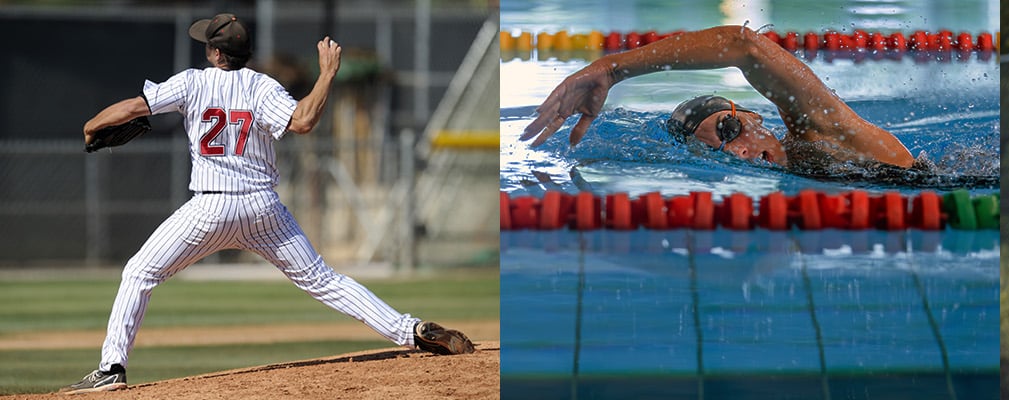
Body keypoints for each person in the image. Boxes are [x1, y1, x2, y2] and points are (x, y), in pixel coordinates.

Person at [63, 13, 474, 394]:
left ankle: (111, 369)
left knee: (139, 273)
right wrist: (327, 74)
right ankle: (411, 329)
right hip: (263, 210)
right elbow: (304, 121)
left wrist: (91, 125)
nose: (206, 48)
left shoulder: (192, 82)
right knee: (324, 280)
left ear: (216, 53)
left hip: (210, 209)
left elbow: (136, 107)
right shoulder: (262, 87)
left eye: (209, 43)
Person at [519, 25, 920, 173]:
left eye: (730, 128)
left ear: (752, 115)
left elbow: (743, 45)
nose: (741, 151)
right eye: (722, 150)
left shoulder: (821, 128)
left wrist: (612, 69)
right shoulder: (795, 169)